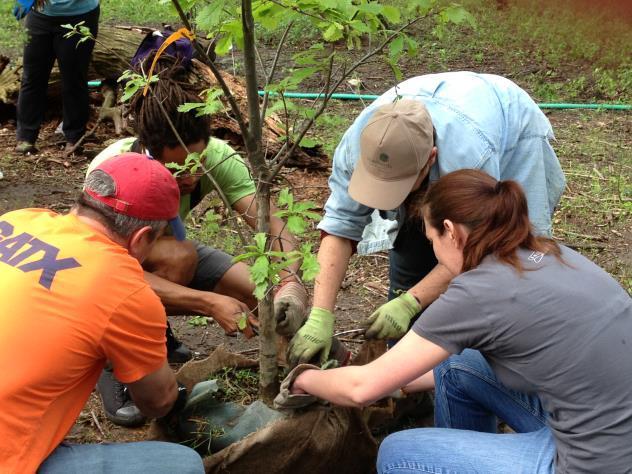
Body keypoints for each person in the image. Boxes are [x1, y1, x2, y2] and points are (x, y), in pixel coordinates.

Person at [277, 169, 632, 473]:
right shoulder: (553, 255)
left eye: (431, 238)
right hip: (609, 432)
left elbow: (361, 389)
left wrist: (305, 379)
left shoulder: (477, 293)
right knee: (458, 364)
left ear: (450, 230)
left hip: (593, 464)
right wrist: (398, 381)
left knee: (399, 453)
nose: (434, 249)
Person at [87, 56, 311, 426]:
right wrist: (208, 303)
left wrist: (288, 285)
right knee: (179, 257)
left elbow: (274, 225)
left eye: (197, 161)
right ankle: (115, 360)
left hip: (167, 250)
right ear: (148, 154)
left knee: (261, 292)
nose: (190, 175)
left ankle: (296, 371)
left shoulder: (216, 156)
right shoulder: (113, 170)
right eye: (175, 169)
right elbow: (103, 271)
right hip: (113, 269)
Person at [288, 71, 567, 366]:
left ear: (431, 159)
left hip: (510, 130)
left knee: (509, 259)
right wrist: (320, 315)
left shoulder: (471, 157)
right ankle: (404, 374)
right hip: (445, 119)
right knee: (412, 252)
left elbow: (477, 245)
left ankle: (480, 370)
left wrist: (412, 301)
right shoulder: (359, 145)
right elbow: (340, 225)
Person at [0, 152, 204, 473]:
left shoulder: (17, 220)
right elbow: (157, 402)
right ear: (141, 239)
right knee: (182, 465)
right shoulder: (124, 288)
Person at [14, 0, 100, 154]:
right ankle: (26, 137)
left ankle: (74, 139)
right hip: (40, 16)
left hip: (79, 16)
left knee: (74, 79)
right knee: (32, 77)